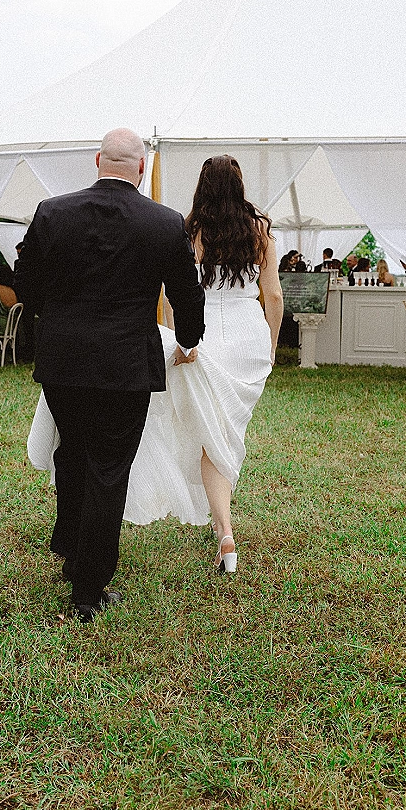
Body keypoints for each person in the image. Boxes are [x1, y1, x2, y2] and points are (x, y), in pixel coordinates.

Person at [16, 128, 205, 623]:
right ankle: (88, 587)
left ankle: (73, 554)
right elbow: (188, 293)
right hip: (124, 365)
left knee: (73, 451)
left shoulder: (52, 213)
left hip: (63, 361)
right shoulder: (164, 224)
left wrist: (52, 320)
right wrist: (189, 338)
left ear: (97, 160)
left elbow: (25, 282)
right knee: (108, 466)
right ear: (141, 168)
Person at [118, 155, 283, 573]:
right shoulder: (259, 229)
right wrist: (270, 347)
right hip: (248, 338)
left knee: (213, 434)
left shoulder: (190, 228)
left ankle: (224, 530)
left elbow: (176, 294)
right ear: (239, 184)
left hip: (204, 336)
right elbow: (275, 298)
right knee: (223, 432)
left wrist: (181, 341)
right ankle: (223, 528)